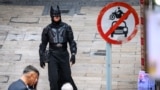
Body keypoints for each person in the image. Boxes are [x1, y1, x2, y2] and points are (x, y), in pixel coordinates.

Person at [39, 5, 77, 90]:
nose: (57, 17)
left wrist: (73, 54)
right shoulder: (47, 29)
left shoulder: (66, 27)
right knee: (53, 78)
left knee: (67, 77)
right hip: (53, 55)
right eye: (55, 16)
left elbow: (72, 42)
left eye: (58, 15)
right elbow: (43, 44)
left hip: (63, 54)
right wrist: (41, 57)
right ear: (51, 16)